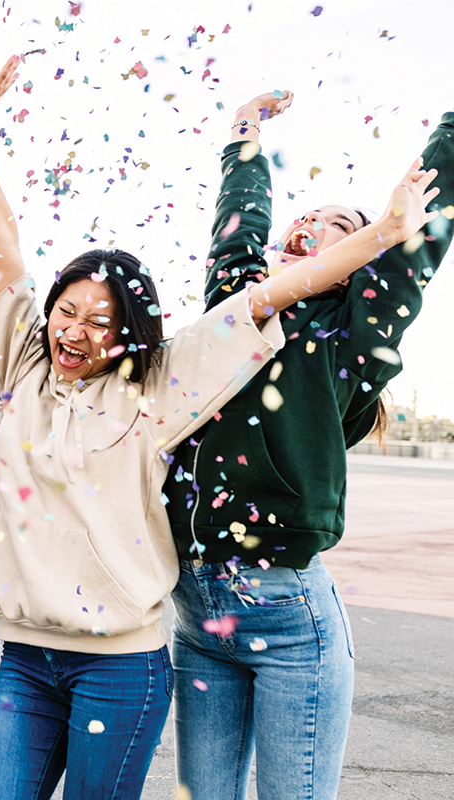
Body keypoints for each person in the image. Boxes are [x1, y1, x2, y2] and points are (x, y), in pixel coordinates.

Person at [0, 59, 439, 799]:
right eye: (67, 312)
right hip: (161, 621)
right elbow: (235, 241)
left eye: (100, 320)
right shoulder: (40, 360)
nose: (76, 330)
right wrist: (243, 133)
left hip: (245, 619)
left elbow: (305, 286)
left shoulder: (240, 363)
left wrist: (389, 232)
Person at [163, 92, 451, 800]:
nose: (312, 223)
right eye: (309, 215)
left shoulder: (352, 335)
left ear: (359, 261)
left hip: (286, 616)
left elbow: (419, 237)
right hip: (196, 614)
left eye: (339, 226)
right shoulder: (234, 306)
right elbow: (238, 227)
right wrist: (245, 129)